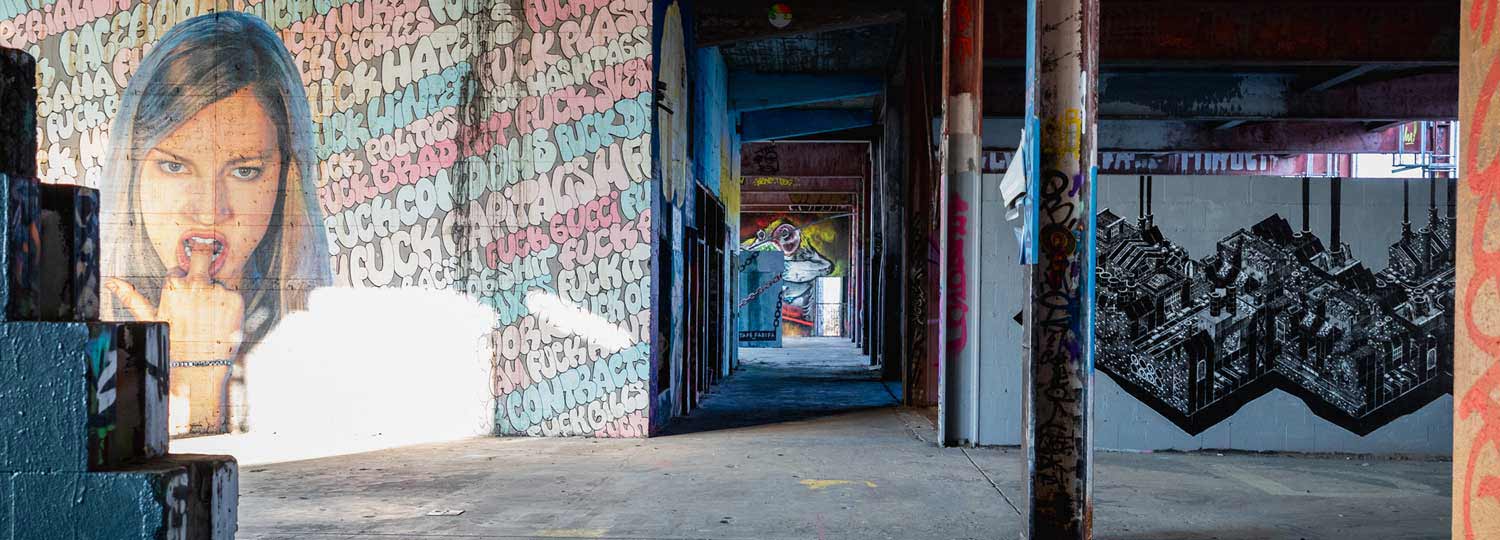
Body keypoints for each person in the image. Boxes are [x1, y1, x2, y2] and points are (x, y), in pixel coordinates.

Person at [100, 11, 330, 435]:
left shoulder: (321, 344)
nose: (208, 210)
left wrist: (196, 369)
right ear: (133, 170)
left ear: (285, 178)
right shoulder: (87, 340)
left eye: (244, 171)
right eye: (174, 166)